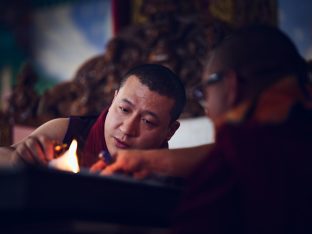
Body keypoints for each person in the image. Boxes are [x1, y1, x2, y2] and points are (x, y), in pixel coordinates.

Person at [93, 25, 312, 233]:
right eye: (123, 108)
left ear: (230, 86)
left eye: (204, 94)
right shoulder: (293, 132)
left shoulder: (234, 158)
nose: (207, 111)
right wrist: (148, 160)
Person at [0, 63, 187, 170]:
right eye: (124, 109)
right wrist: (18, 157)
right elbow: (6, 154)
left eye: (148, 121)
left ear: (170, 131)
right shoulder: (65, 131)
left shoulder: (170, 174)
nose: (127, 129)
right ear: (114, 99)